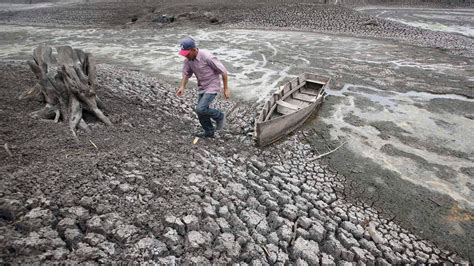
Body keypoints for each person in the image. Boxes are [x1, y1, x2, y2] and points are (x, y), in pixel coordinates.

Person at [176, 37, 230, 138]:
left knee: (200, 109)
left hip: (212, 85)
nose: (186, 56)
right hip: (202, 86)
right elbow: (186, 74)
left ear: (193, 49)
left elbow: (223, 71)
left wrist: (226, 88)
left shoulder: (207, 57)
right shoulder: (188, 60)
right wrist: (182, 86)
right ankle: (209, 132)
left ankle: (220, 116)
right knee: (200, 113)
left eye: (187, 53)